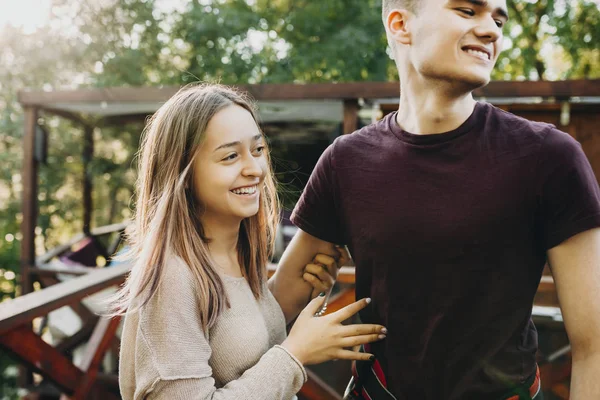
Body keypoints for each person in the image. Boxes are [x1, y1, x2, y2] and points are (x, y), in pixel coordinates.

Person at [270, 1, 600, 399]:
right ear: (400, 24)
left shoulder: (548, 156)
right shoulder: (345, 162)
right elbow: (276, 308)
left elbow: (594, 348)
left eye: (497, 20)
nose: (492, 30)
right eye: (467, 11)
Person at [113, 84, 387, 400]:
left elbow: (233, 346)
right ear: (183, 173)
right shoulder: (172, 277)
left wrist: (298, 300)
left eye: (257, 150)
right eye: (230, 156)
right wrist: (295, 352)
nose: (254, 169)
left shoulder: (237, 252)